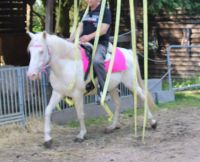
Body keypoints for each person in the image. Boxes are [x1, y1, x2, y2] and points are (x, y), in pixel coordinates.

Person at [68, 0, 111, 104]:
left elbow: (104, 29)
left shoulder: (105, 11)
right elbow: (79, 28)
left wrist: (89, 37)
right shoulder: (84, 12)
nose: (88, 0)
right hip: (85, 43)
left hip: (100, 44)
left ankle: (104, 90)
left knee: (97, 61)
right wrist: (70, 40)